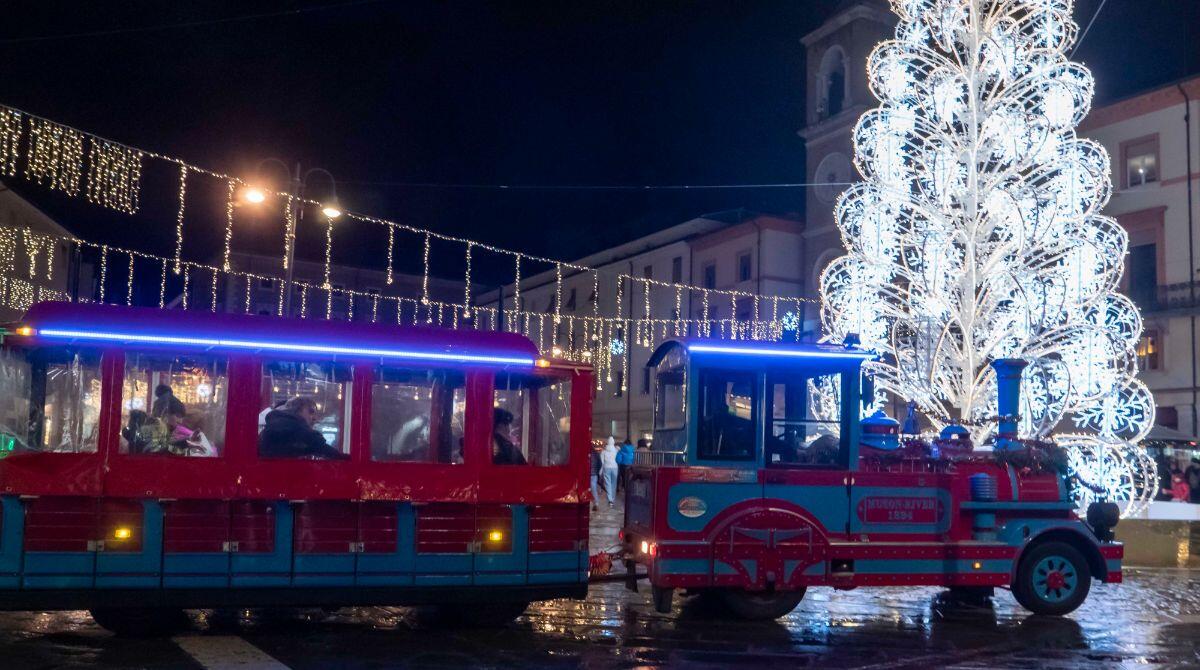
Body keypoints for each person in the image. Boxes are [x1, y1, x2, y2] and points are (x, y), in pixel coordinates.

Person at [258, 396, 345, 459]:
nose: (315, 418)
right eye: (311, 412)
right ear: (297, 410)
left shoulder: (276, 425)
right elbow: (319, 446)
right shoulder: (295, 428)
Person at [600, 436, 619, 508]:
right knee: (614, 483)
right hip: (615, 468)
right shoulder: (616, 450)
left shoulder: (603, 451)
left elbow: (602, 462)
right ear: (613, 442)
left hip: (606, 467)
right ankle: (613, 499)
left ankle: (610, 500)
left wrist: (600, 471)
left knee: (608, 484)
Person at [590, 445, 603, 512]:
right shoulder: (596, 453)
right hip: (594, 474)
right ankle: (596, 503)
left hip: (585, 474)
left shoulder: (583, 453)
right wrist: (597, 472)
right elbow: (600, 464)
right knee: (594, 488)